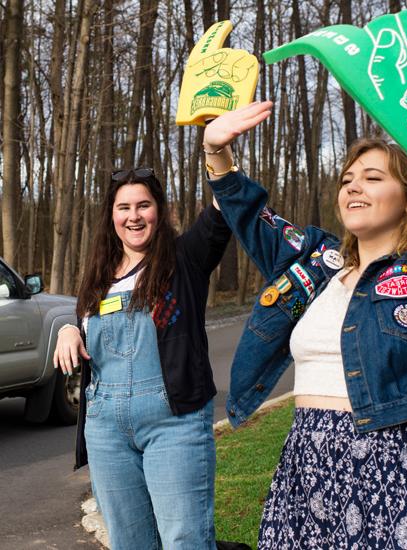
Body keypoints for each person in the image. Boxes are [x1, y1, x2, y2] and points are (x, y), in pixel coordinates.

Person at [201, 101, 407, 549]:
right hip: (306, 475)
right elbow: (252, 219)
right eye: (347, 180)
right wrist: (216, 152)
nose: (353, 188)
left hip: (398, 478)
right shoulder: (316, 264)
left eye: (372, 178)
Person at [53, 167, 231, 549]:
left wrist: (217, 150)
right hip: (105, 430)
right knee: (129, 542)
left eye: (143, 205)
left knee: (185, 540)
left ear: (159, 211)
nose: (134, 215)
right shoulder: (98, 274)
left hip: (174, 423)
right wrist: (69, 329)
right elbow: (85, 321)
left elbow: (224, 205)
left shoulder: (185, 258)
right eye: (124, 207)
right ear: (111, 216)